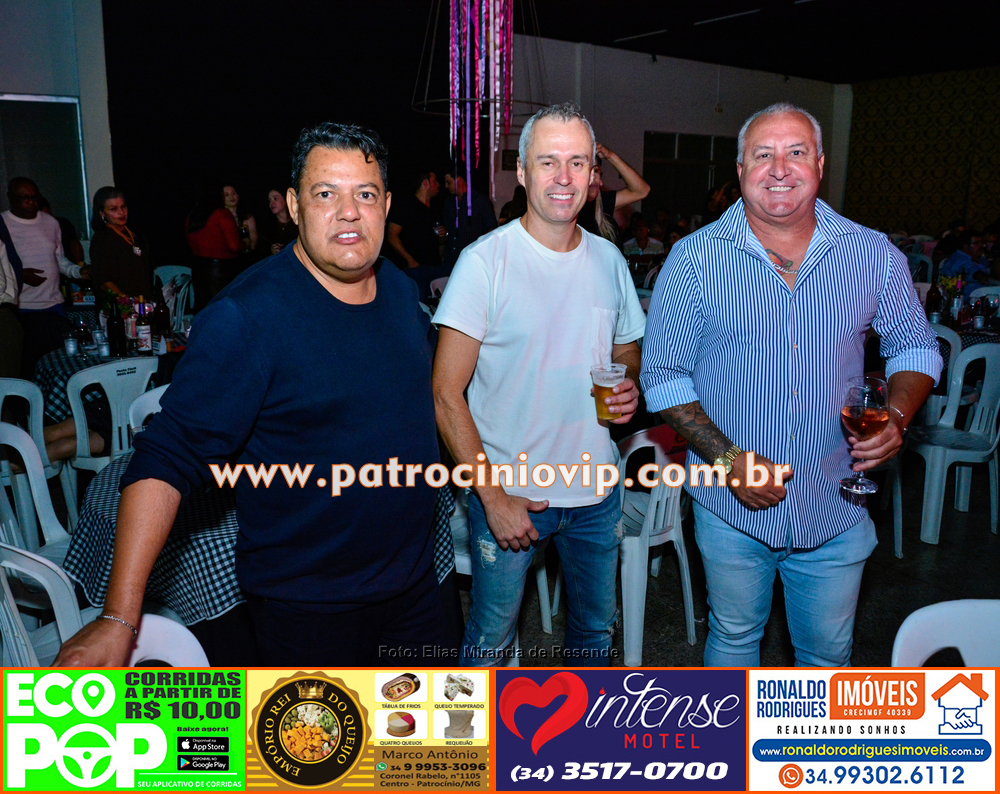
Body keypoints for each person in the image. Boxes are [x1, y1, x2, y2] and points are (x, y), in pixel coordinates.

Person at [54, 122, 452, 667]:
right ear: (293, 205)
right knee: (321, 728)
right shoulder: (247, 317)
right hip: (312, 610)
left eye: (365, 194)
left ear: (385, 204)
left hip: (419, 588)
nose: (348, 212)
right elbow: (165, 459)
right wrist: (119, 617)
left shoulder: (401, 293)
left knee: (431, 727)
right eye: (325, 194)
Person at [641, 102, 942, 668]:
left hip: (836, 501)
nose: (779, 169)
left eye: (796, 152)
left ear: (820, 165)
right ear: (741, 170)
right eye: (763, 155)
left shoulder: (871, 253)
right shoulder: (694, 259)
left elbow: (915, 347)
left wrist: (898, 417)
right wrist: (728, 460)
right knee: (734, 637)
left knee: (826, 659)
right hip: (729, 508)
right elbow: (662, 376)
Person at [433, 102, 645, 667]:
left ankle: (583, 726)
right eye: (548, 161)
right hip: (512, 493)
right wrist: (492, 497)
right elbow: (446, 393)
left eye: (577, 163)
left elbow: (627, 345)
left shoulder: (609, 259)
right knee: (490, 641)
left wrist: (628, 378)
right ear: (523, 172)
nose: (563, 177)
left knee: (594, 637)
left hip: (597, 495)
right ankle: (466, 730)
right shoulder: (485, 262)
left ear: (593, 176)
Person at [3, 178, 89, 378]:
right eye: (25, 198)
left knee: (61, 366)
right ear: (10, 198)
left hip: (54, 307)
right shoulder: (2, 224)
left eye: (35, 197)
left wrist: (78, 272)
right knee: (28, 371)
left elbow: (59, 260)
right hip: (22, 309)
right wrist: (19, 275)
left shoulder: (50, 223)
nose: (31, 202)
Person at [384, 169, 447, 298]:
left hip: (435, 267)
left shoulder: (435, 208)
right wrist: (410, 260)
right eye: (434, 181)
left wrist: (443, 235)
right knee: (419, 304)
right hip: (416, 269)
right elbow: (391, 235)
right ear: (425, 183)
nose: (438, 185)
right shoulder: (406, 206)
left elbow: (439, 240)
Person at [88, 186, 154, 299]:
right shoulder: (102, 240)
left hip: (142, 302)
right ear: (102, 213)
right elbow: (104, 281)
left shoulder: (132, 234)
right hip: (120, 306)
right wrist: (127, 302)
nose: (121, 212)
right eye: (113, 209)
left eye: (123, 207)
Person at [185, 186, 243, 311]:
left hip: (198, 272)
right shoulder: (222, 215)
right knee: (222, 309)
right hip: (220, 273)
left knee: (204, 310)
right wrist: (246, 243)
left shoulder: (192, 217)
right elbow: (235, 246)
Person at [578, 144, 650, 241]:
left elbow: (641, 191)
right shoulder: (565, 207)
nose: (593, 177)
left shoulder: (602, 202)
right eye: (588, 171)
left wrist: (610, 156)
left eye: (596, 170)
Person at [442, 170, 497, 267]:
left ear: (459, 180)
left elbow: (491, 230)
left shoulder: (480, 201)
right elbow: (447, 231)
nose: (446, 186)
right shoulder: (449, 202)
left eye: (449, 182)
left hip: (472, 261)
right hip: (451, 260)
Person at [939, 229, 990, 297]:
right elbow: (971, 271)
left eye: (982, 243)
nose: (982, 246)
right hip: (964, 300)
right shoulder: (958, 260)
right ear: (965, 246)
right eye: (976, 243)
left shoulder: (978, 258)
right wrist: (981, 276)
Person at [258, 188, 298, 256]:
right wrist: (271, 251)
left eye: (275, 199)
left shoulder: (297, 222)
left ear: (286, 199)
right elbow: (261, 251)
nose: (271, 203)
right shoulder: (267, 227)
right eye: (269, 200)